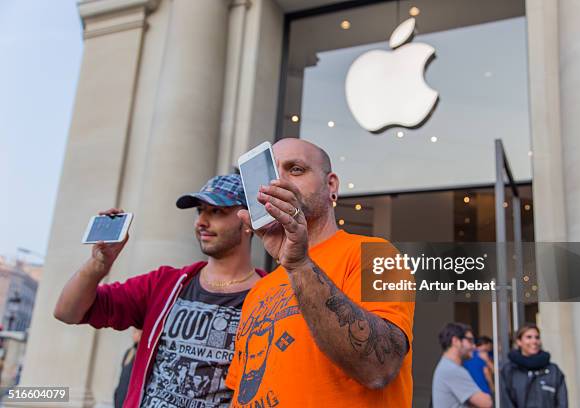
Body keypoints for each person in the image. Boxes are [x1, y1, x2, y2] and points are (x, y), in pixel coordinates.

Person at [225, 139, 415, 407]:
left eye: (296, 169)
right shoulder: (259, 289)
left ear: (331, 185)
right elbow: (241, 391)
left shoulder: (376, 254)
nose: (280, 182)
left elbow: (378, 367)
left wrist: (299, 265)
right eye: (273, 172)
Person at [54, 174, 266, 408]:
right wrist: (98, 265)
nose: (201, 222)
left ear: (247, 222)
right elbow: (67, 312)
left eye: (216, 212)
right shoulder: (165, 284)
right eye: (200, 211)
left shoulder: (271, 298)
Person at [500, 323, 568, 408]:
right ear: (519, 342)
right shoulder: (509, 371)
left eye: (537, 337)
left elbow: (562, 403)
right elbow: (506, 403)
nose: (534, 341)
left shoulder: (553, 371)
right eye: (529, 337)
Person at [432, 323, 492, 408]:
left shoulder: (447, 366)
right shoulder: (452, 370)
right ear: (455, 341)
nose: (474, 346)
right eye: (470, 340)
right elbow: (486, 403)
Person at [114, 329, 142, 408]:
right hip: (121, 394)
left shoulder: (141, 354)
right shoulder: (129, 351)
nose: (134, 334)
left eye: (137, 332)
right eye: (134, 332)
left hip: (130, 396)